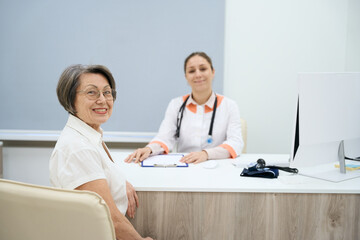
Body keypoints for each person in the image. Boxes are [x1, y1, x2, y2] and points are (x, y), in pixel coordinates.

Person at [49, 64, 153, 240]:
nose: (103, 100)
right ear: (70, 98)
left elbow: (98, 178)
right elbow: (109, 219)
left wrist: (118, 183)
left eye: (107, 92)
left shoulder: (89, 134)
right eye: (92, 92)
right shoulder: (78, 148)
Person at [125, 52, 243, 164]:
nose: (198, 74)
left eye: (203, 69)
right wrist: (149, 149)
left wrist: (206, 154)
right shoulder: (176, 105)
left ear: (213, 72)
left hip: (217, 166)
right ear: (186, 76)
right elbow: (164, 137)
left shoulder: (229, 106)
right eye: (191, 71)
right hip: (186, 165)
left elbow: (236, 142)